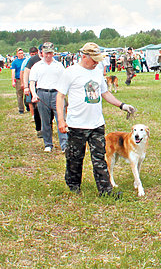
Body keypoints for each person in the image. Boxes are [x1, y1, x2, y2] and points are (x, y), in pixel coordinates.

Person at [56, 42, 136, 197]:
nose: (96, 63)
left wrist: (122, 105)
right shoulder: (70, 72)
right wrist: (61, 119)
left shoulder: (98, 71)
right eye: (94, 60)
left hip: (97, 124)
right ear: (84, 56)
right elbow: (60, 96)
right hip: (76, 125)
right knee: (75, 158)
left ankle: (105, 191)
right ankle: (73, 187)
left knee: (100, 158)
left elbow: (105, 94)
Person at [29, 42, 68, 153]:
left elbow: (64, 81)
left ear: (53, 53)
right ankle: (48, 144)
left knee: (60, 118)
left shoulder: (59, 65)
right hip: (42, 94)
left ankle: (64, 144)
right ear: (42, 53)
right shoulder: (36, 66)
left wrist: (64, 94)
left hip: (57, 94)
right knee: (45, 121)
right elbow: (32, 82)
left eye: (50, 53)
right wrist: (34, 94)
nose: (48, 55)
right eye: (46, 53)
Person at [11, 48, 25, 114]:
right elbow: (13, 71)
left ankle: (28, 105)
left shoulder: (26, 60)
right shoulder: (15, 62)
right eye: (19, 53)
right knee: (19, 95)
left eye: (22, 53)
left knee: (27, 94)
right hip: (18, 79)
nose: (21, 55)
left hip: (25, 79)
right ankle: (21, 109)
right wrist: (13, 81)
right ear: (17, 54)